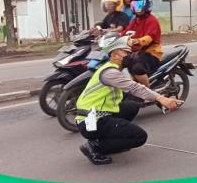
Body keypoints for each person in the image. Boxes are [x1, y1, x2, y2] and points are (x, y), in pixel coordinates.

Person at [75, 35, 180, 165]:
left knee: (132, 106)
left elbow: (130, 91)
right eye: (125, 52)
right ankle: (95, 146)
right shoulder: (110, 73)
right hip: (91, 120)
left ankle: (111, 140)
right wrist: (161, 98)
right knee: (140, 137)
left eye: (130, 52)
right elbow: (134, 87)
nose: (130, 55)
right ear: (114, 54)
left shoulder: (115, 69)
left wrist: (155, 99)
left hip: (97, 113)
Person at [121, 0, 162, 88]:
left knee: (137, 69)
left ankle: (148, 93)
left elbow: (149, 37)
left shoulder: (152, 20)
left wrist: (137, 41)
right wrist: (113, 37)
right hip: (137, 52)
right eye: (134, 5)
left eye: (140, 5)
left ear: (147, 5)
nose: (137, 8)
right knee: (121, 62)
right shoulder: (135, 20)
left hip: (151, 53)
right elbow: (125, 32)